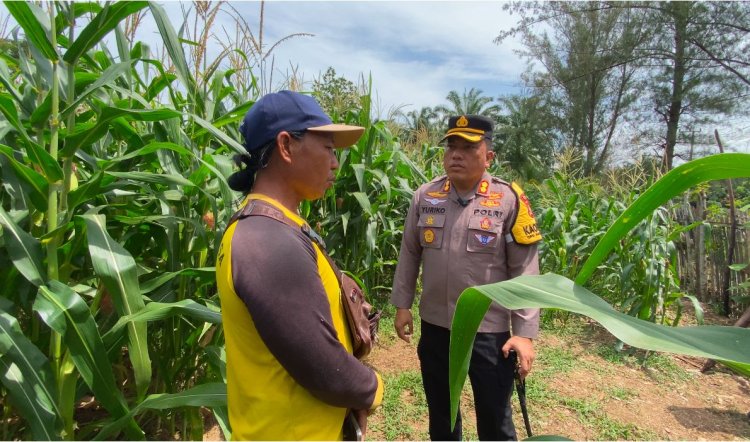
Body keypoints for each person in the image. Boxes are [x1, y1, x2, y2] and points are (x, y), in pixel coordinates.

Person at [216, 90, 383, 440]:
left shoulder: (277, 226)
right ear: (286, 146)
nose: (336, 163)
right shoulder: (267, 240)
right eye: (328, 148)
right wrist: (373, 387)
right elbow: (325, 370)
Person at [390, 114, 542, 441]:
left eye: (468, 147)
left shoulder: (507, 199)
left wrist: (525, 334)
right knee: (442, 414)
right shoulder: (426, 197)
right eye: (451, 147)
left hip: (488, 332)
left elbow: (525, 270)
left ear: (489, 156)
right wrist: (402, 305)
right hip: (436, 328)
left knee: (495, 417)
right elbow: (409, 253)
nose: (455, 154)